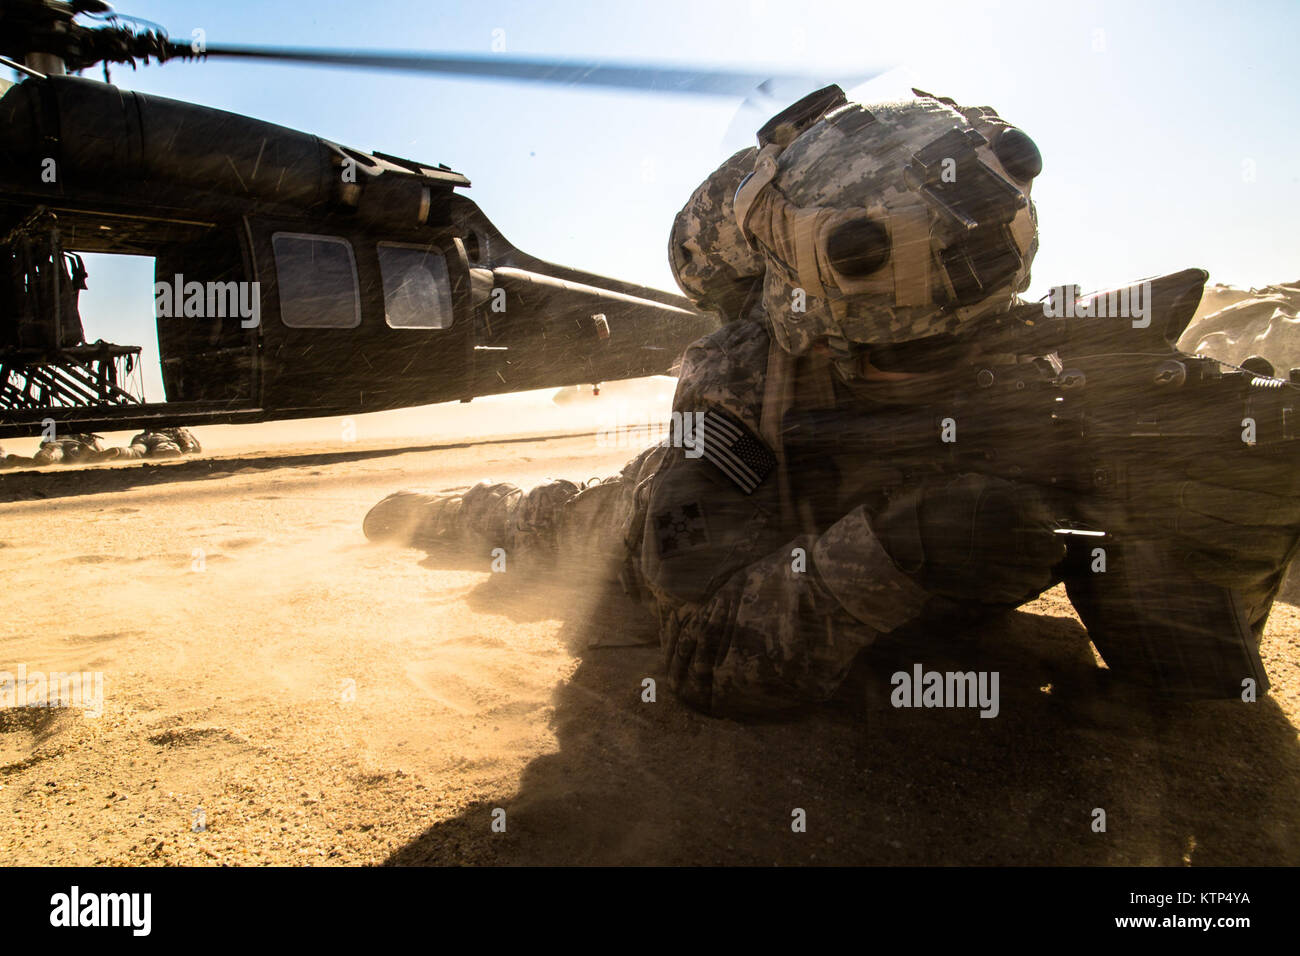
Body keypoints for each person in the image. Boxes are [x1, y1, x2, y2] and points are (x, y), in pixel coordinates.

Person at [364, 87, 1300, 716]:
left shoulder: (1052, 353)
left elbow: (1193, 673)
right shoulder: (741, 384)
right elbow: (704, 653)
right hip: (638, 532)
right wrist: (900, 546)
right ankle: (447, 513)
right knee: (548, 522)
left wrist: (1236, 489)